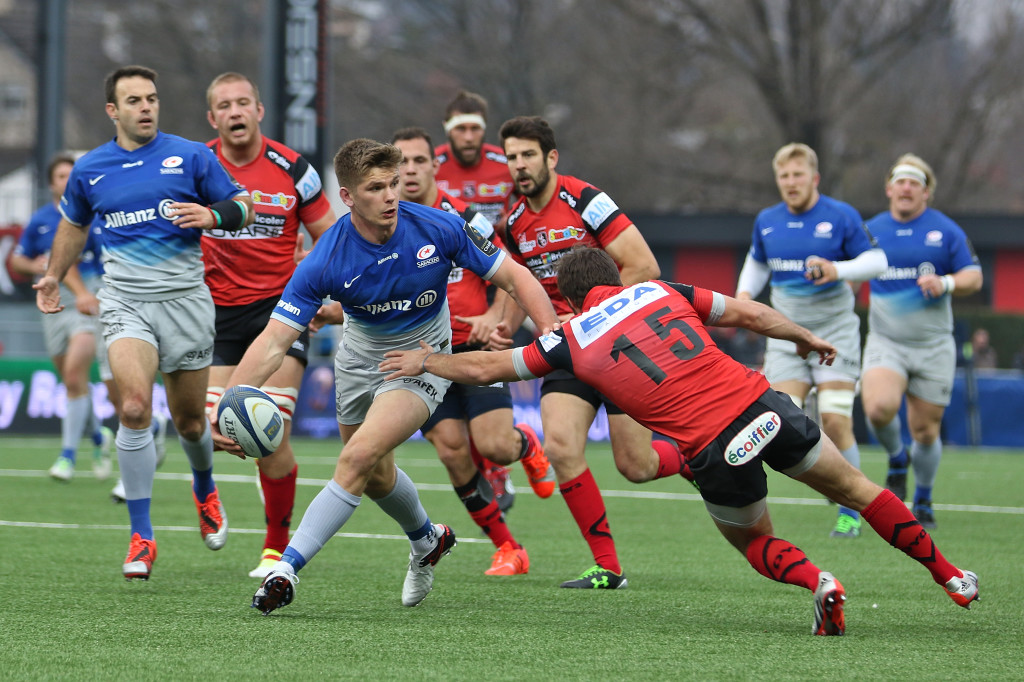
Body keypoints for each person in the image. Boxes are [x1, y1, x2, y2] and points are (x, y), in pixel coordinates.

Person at [380, 246, 980, 635]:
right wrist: (806, 338)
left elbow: (487, 369)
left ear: (564, 299)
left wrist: (427, 360)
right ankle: (952, 576)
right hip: (763, 403)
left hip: (714, 449)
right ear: (616, 278)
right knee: (858, 488)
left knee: (755, 543)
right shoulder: (665, 290)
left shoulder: (571, 339)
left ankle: (818, 580)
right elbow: (750, 313)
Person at [210, 138, 559, 614]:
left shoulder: (440, 226)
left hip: (421, 355)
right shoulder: (326, 258)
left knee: (356, 458)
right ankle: (427, 539)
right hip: (358, 358)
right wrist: (229, 403)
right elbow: (274, 341)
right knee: (375, 477)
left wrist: (549, 329)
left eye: (394, 184)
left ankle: (285, 568)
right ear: (348, 197)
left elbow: (515, 277)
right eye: (376, 187)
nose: (391, 195)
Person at [35, 65, 254, 580]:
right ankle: (141, 536)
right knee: (133, 407)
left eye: (151, 98)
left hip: (187, 304)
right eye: (134, 100)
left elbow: (243, 204)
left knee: (191, 423)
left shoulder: (192, 156)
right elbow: (73, 225)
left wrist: (214, 215)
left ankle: (204, 488)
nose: (147, 107)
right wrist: (52, 277)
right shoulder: (91, 169)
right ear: (113, 110)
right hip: (125, 303)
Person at [498, 115, 689, 590]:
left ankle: (692, 456)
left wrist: (589, 316)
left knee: (636, 466)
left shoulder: (585, 200)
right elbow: (520, 286)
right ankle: (608, 566)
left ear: (551, 157)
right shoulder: (514, 223)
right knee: (561, 446)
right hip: (569, 350)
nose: (519, 166)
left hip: (620, 342)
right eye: (511, 158)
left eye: (527, 155)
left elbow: (645, 266)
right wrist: (530, 323)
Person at [392, 126, 555, 576]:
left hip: (475, 351)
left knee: (495, 446)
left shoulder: (463, 217)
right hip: (420, 358)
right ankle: (508, 547)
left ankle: (525, 445)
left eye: (418, 161)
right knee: (451, 450)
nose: (409, 170)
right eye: (400, 162)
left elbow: (513, 271)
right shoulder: (384, 224)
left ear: (434, 165)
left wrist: (499, 321)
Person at [203, 72, 337, 579]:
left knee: (269, 428)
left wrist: (324, 292)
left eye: (243, 103)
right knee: (211, 428)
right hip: (213, 314)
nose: (235, 112)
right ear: (212, 119)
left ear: (259, 110)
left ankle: (275, 546)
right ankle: (206, 496)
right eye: (224, 106)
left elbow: (328, 236)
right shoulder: (199, 164)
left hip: (280, 311)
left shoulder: (294, 169)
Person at [736, 142, 887, 539]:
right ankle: (831, 476)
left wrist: (836, 269)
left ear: (814, 178)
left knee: (836, 422)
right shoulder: (767, 220)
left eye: (798, 175)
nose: (791, 182)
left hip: (835, 331)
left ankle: (852, 509)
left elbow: (878, 261)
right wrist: (745, 296)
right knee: (782, 421)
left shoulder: (840, 216)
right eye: (784, 176)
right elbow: (757, 261)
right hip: (785, 334)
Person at [861, 154, 982, 528]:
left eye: (915, 182)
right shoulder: (870, 230)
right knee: (878, 409)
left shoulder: (945, 231)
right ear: (889, 189)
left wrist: (945, 282)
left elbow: (974, 277)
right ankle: (898, 458)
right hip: (887, 342)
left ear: (926, 192)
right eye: (901, 180)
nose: (907, 187)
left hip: (933, 346)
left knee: (925, 430)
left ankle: (924, 498)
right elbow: (849, 271)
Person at [435, 90, 519, 508]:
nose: (468, 136)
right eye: (460, 128)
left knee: (495, 335)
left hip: (496, 267)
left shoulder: (505, 166)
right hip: (451, 271)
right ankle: (491, 461)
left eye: (475, 129)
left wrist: (498, 311)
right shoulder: (429, 166)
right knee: (453, 436)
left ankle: (502, 455)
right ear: (448, 130)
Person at [12, 152, 116, 482]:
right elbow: (18, 261)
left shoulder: (94, 216)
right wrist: (39, 266)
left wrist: (90, 293)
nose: (67, 181)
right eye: (61, 176)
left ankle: (67, 457)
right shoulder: (41, 219)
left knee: (74, 375)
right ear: (51, 183)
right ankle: (99, 436)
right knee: (73, 381)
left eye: (72, 175)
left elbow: (105, 261)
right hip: (52, 300)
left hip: (87, 299)